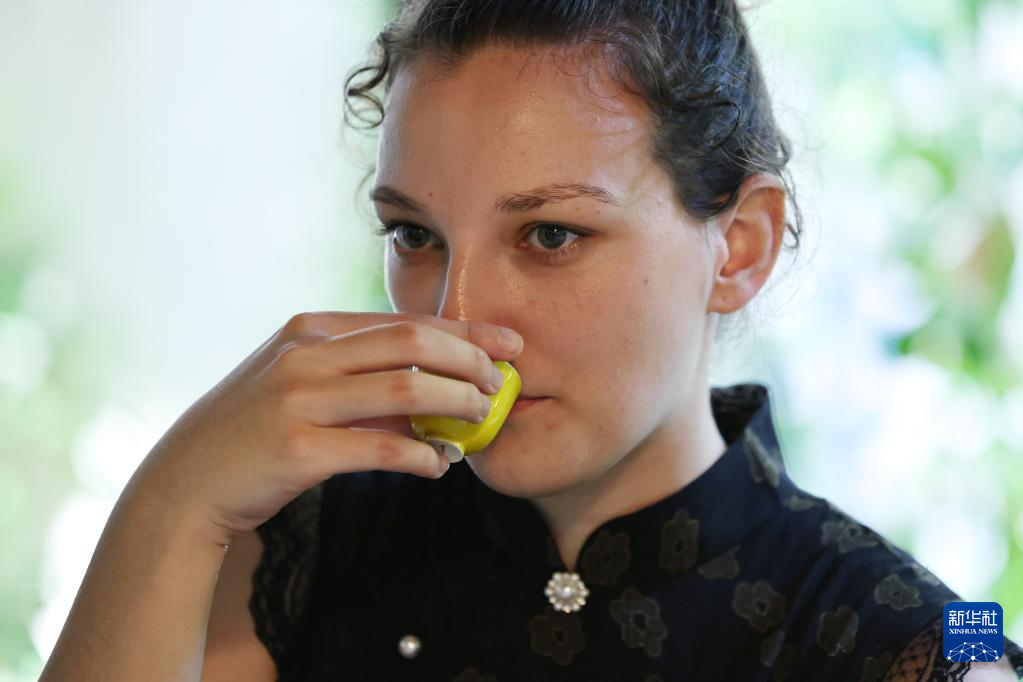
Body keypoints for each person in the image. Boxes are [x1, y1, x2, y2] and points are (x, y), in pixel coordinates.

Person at [40, 1, 1023, 680]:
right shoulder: (307, 544)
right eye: (415, 235)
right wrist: (171, 499)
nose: (456, 315)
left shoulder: (916, 643)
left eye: (550, 235)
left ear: (740, 247)